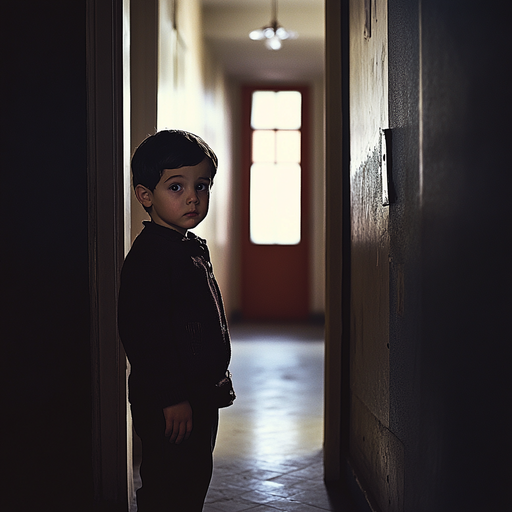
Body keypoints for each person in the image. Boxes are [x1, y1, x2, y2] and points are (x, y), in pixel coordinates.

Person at [117, 130, 233, 511]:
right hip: (170, 401)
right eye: (176, 186)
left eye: (202, 186)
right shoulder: (151, 257)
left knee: (192, 478)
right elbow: (146, 336)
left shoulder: (186, 246)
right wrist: (171, 397)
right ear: (145, 195)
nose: (192, 197)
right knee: (169, 484)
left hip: (197, 394)